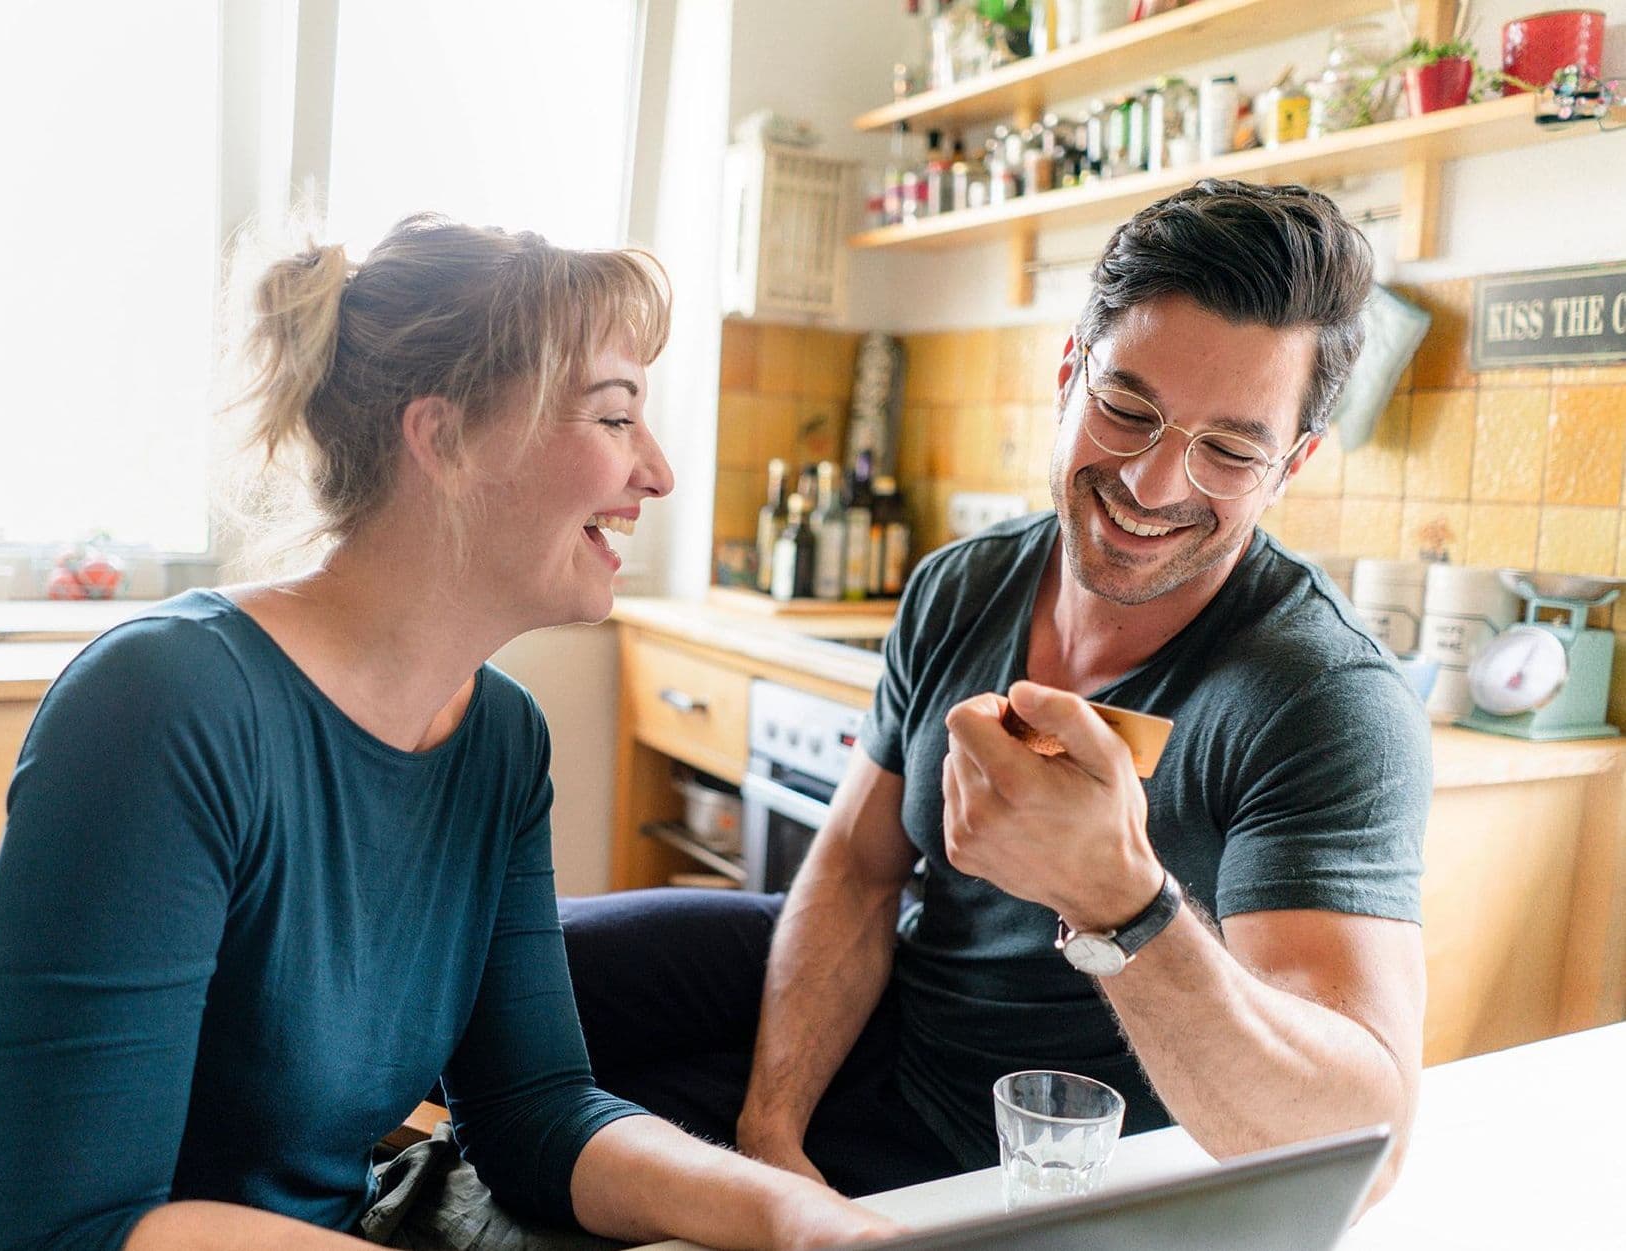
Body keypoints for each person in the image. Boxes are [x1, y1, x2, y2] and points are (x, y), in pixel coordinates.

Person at [0, 215, 901, 1251]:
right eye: (614, 418)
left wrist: (801, 1216)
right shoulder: (165, 703)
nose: (656, 473)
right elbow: (59, 1227)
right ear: (441, 438)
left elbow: (535, 1110)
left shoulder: (500, 743)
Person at [564, 179, 1430, 1207]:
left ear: (1290, 466)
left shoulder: (1320, 700)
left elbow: (1362, 1148)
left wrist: (1124, 904)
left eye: (1229, 450)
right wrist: (770, 1132)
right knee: (521, 981)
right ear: (1068, 375)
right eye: (1125, 409)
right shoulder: (960, 585)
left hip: (1056, 1168)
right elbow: (852, 868)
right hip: (900, 1038)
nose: (1153, 487)